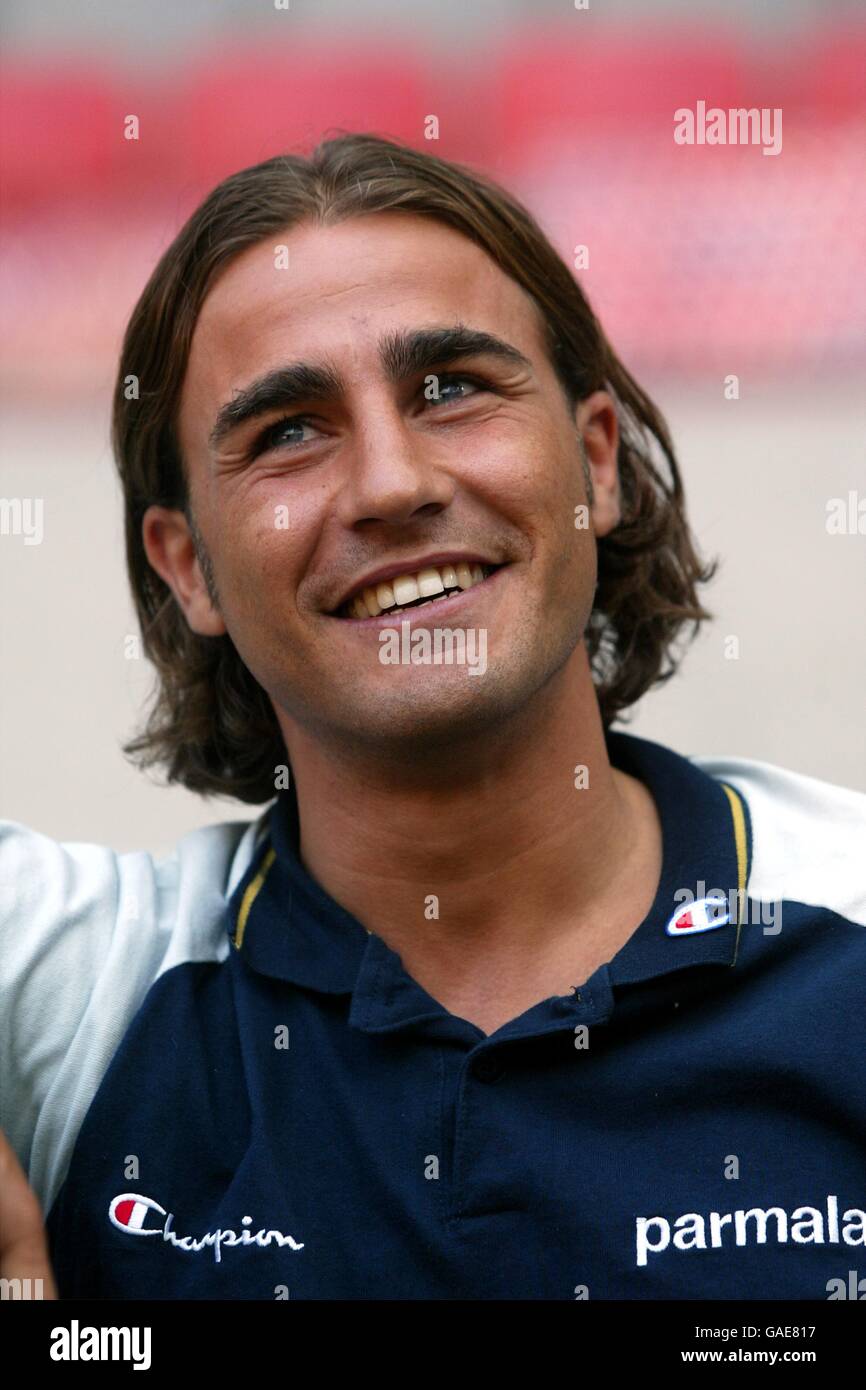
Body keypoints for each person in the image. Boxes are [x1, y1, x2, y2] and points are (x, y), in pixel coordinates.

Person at [1, 133, 863, 1302]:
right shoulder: (73, 996)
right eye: (288, 431)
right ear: (186, 567)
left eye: (451, 389)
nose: (391, 483)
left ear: (594, 464)